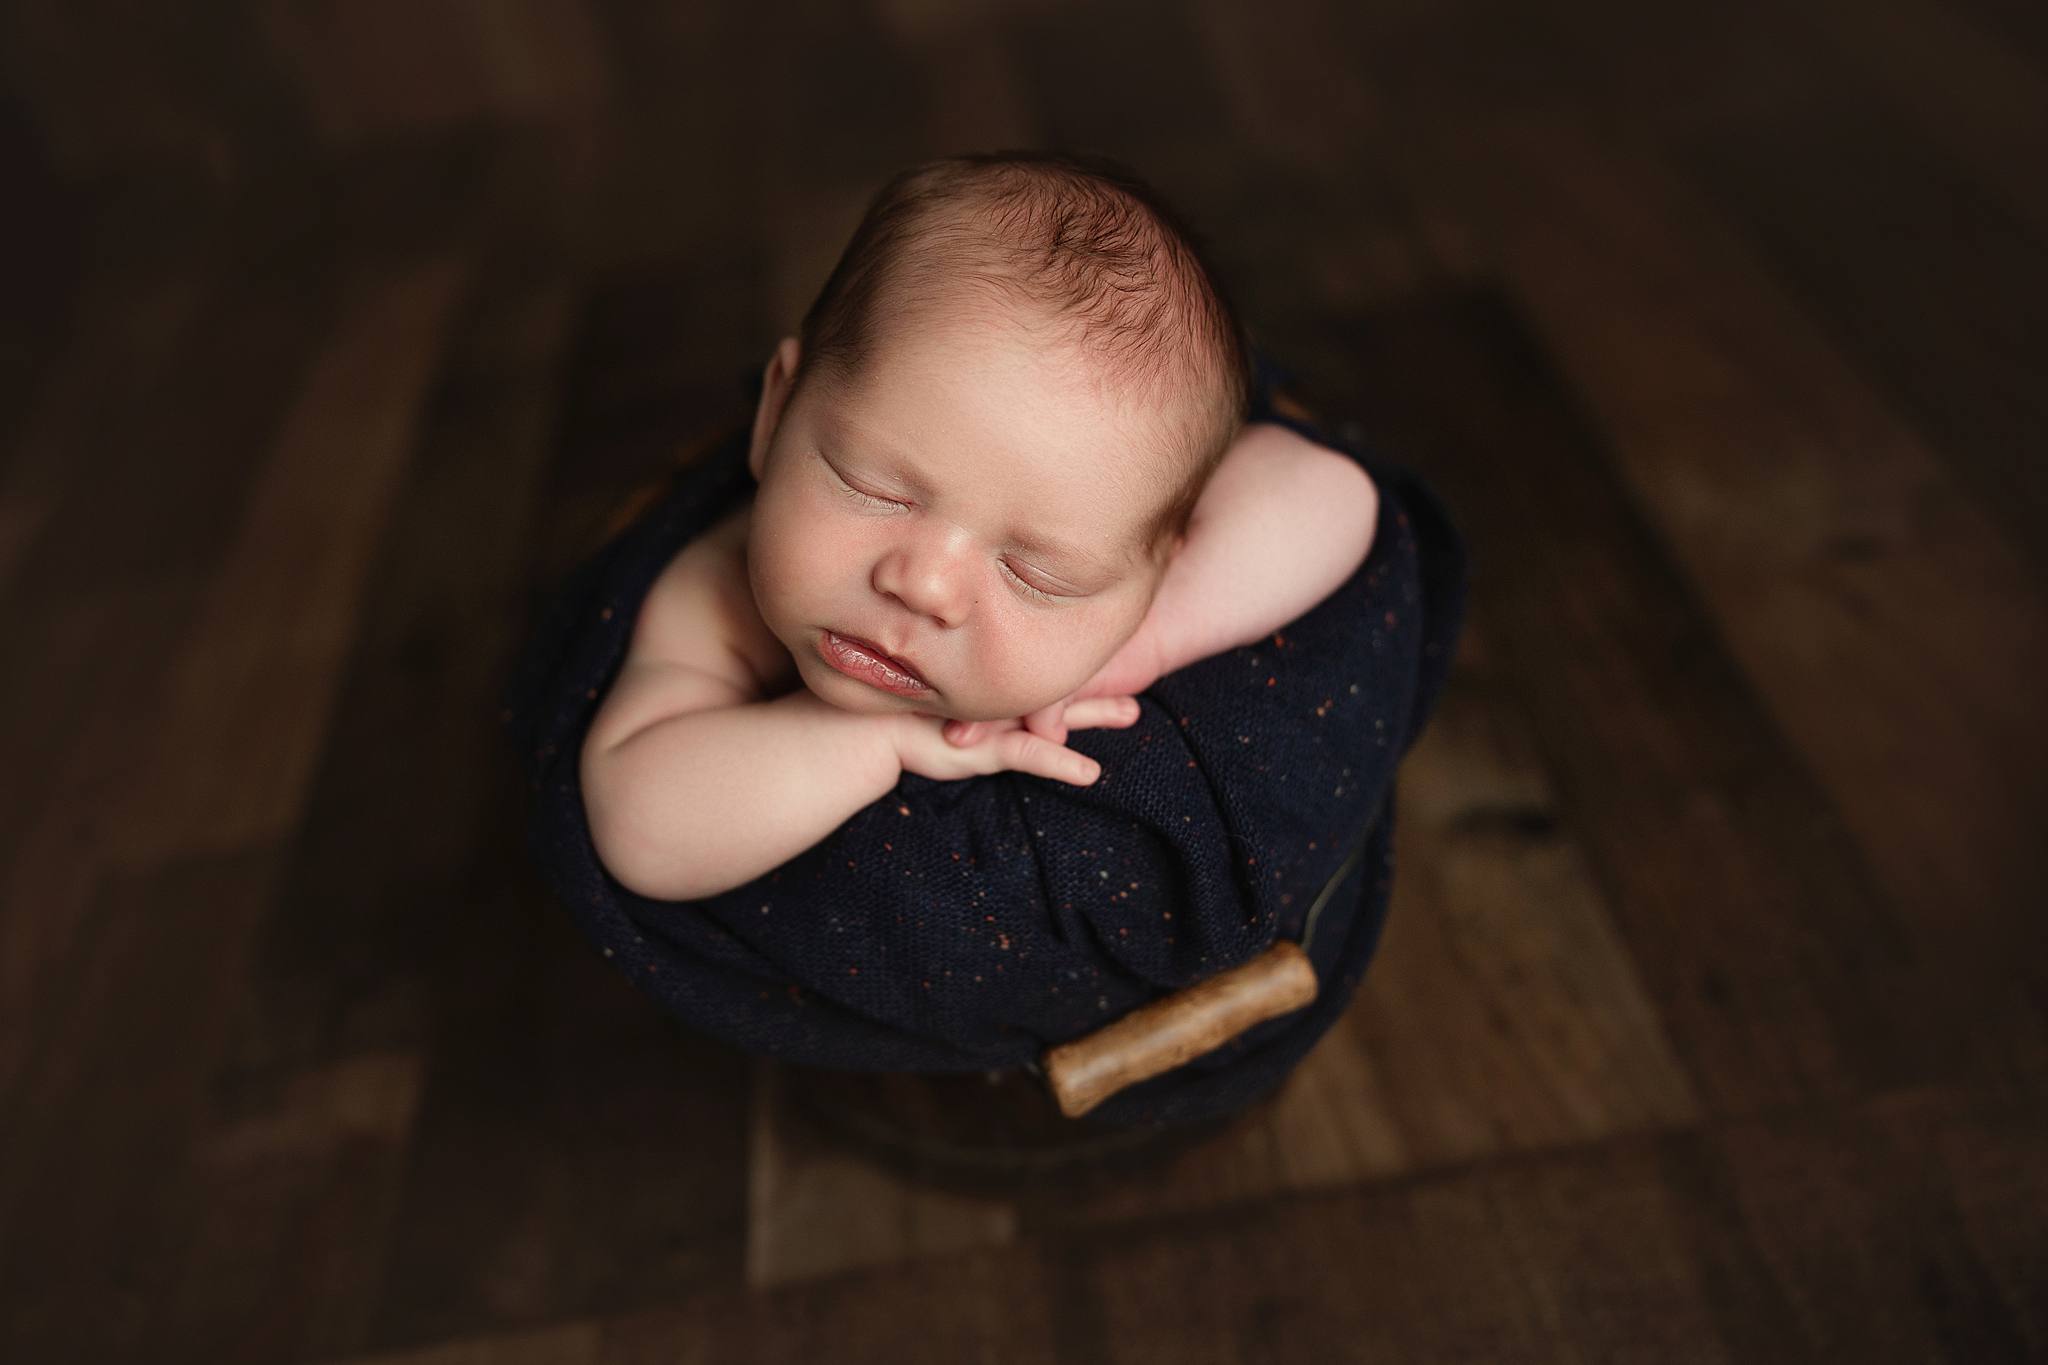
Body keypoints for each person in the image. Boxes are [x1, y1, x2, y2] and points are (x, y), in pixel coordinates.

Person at [579, 152, 1381, 903]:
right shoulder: (713, 598)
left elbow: (1334, 491)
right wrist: (879, 742)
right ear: (775, 412)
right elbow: (638, 829)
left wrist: (1143, 642)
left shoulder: (1138, 595)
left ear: (1158, 570)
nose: (925, 586)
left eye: (1038, 576)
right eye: (875, 489)